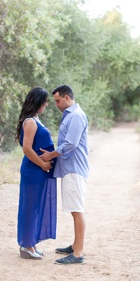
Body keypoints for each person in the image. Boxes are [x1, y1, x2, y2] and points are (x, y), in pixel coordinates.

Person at [39, 84, 89, 265]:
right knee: (74, 209)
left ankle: (78, 253)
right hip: (69, 169)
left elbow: (70, 144)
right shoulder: (71, 116)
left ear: (67, 98)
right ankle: (75, 245)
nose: (57, 105)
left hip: (74, 169)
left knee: (77, 210)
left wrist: (50, 155)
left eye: (58, 101)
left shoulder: (76, 116)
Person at [16, 87, 56, 260]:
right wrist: (43, 164)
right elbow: (27, 148)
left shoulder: (36, 119)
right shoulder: (30, 122)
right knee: (30, 207)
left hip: (38, 169)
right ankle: (26, 246)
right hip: (33, 170)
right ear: (37, 102)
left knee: (36, 207)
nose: (46, 105)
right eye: (45, 101)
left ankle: (31, 243)